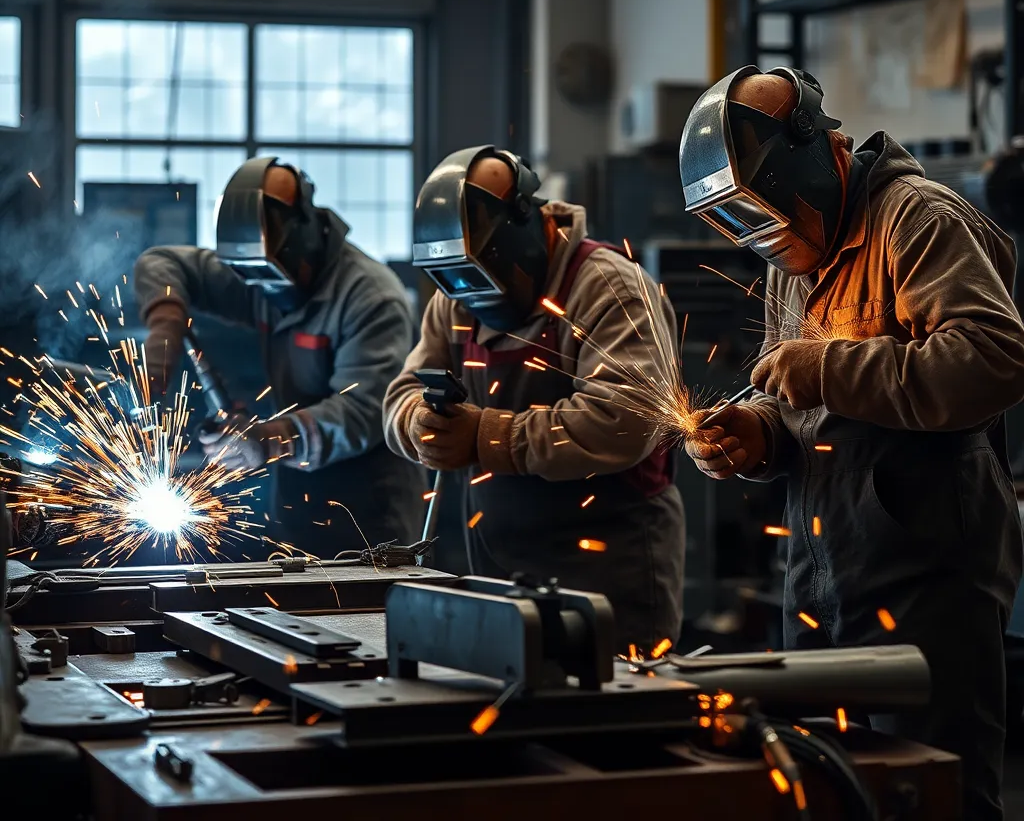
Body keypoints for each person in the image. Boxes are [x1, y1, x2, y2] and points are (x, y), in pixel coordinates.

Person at [678, 65, 1024, 821]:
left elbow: (995, 360)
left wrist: (828, 368)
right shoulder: (791, 259)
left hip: (928, 576)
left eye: (767, 212)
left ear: (818, 156)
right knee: (824, 791)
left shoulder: (917, 219)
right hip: (820, 576)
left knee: (934, 796)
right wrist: (756, 434)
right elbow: (791, 400)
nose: (768, 237)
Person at [383, 145, 685, 651]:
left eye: (485, 277)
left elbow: (623, 419)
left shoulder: (609, 288)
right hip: (500, 566)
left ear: (525, 230)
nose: (474, 297)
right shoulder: (455, 295)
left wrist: (485, 435)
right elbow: (402, 394)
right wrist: (417, 425)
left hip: (609, 569)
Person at [134, 156, 424, 559]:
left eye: (269, 276)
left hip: (370, 515)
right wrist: (165, 320)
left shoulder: (372, 298)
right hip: (294, 505)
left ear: (304, 235)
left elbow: (365, 411)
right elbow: (159, 261)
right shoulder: (258, 273)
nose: (262, 290)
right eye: (249, 276)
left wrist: (273, 439)